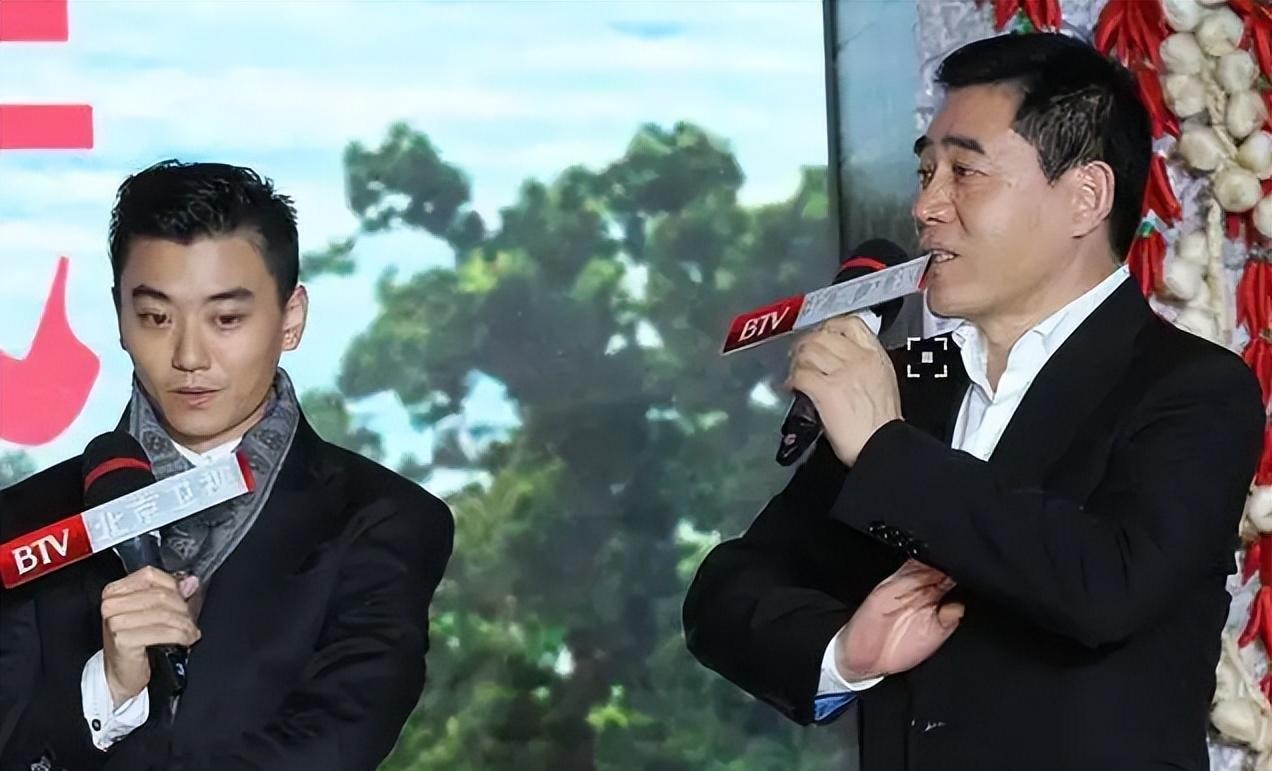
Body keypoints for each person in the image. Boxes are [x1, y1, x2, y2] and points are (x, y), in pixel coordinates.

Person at [683, 32, 1267, 771]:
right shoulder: (911, 381)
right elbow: (729, 590)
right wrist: (846, 651)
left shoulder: (1192, 386)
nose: (926, 206)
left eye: (964, 171)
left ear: (1085, 196)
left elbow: (1106, 583)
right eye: (925, 171)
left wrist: (885, 450)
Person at [0, 160, 454, 771]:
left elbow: (335, 742)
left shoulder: (384, 520)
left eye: (226, 319)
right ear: (119, 317)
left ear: (291, 318)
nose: (189, 356)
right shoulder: (28, 524)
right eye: (156, 317)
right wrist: (107, 692)